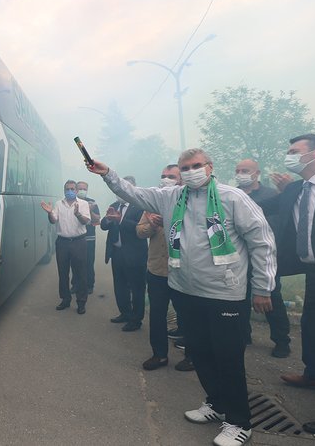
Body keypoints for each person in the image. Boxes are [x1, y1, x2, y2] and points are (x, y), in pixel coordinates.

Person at [88, 148, 275, 446]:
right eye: (184, 167)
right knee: (199, 352)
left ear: (210, 167)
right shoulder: (171, 197)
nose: (190, 172)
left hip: (225, 294)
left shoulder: (233, 198)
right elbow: (133, 192)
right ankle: (216, 404)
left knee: (228, 358)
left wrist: (263, 286)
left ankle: (239, 422)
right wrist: (107, 173)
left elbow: (262, 241)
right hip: (186, 291)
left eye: (195, 166)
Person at [259, 133, 315, 435]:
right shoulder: (295, 189)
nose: (289, 156)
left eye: (294, 151)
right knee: (313, 329)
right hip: (313, 272)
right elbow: (257, 205)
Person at [234, 159, 292, 358]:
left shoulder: (271, 195)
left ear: (256, 173)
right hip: (239, 257)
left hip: (265, 257)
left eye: (245, 170)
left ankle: (281, 340)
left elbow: (277, 225)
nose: (241, 173)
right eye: (238, 170)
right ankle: (243, 335)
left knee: (271, 298)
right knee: (240, 298)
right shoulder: (234, 196)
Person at [138, 164, 193, 371]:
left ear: (180, 180)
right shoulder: (154, 202)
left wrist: (170, 223)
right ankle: (159, 355)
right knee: (157, 315)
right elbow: (140, 232)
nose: (166, 179)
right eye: (163, 175)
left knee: (187, 316)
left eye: (171, 176)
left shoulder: (190, 200)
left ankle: (192, 356)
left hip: (182, 271)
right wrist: (152, 225)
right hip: (157, 270)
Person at [101, 176, 148, 332]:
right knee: (119, 286)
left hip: (135, 255)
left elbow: (141, 229)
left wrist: (121, 220)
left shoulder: (140, 206)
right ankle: (125, 313)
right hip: (117, 253)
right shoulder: (114, 205)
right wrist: (108, 219)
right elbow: (103, 225)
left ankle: (136, 319)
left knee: (137, 288)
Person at [41, 180, 92, 314]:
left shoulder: (83, 204)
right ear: (64, 191)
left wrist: (78, 214)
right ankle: (65, 299)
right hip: (62, 243)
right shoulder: (59, 204)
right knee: (62, 273)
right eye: (67, 189)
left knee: (80, 273)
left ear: (76, 191)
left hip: (78, 242)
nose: (69, 191)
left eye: (72, 189)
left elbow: (86, 221)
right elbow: (53, 221)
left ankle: (81, 302)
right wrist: (49, 213)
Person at [75, 181, 101, 295]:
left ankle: (90, 285)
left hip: (89, 237)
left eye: (84, 189)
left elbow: (97, 220)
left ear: (87, 190)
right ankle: (75, 285)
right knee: (75, 262)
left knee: (89, 262)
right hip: (75, 237)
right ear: (76, 190)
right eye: (80, 188)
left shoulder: (93, 202)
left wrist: (89, 209)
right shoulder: (72, 202)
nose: (82, 191)